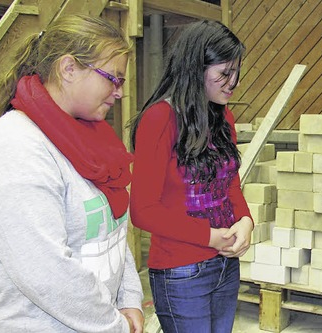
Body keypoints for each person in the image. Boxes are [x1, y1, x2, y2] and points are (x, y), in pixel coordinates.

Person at [0, 15, 144, 332]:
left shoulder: (93, 137)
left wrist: (129, 298)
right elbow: (44, 269)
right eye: (112, 78)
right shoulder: (17, 144)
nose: (118, 92)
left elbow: (112, 230)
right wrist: (114, 325)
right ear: (69, 69)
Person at [129, 20, 254, 333]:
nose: (233, 82)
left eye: (237, 72)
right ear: (195, 67)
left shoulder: (224, 115)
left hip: (226, 265)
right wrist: (209, 236)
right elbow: (143, 210)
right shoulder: (160, 118)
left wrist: (246, 222)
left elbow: (230, 185)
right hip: (182, 271)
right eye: (225, 73)